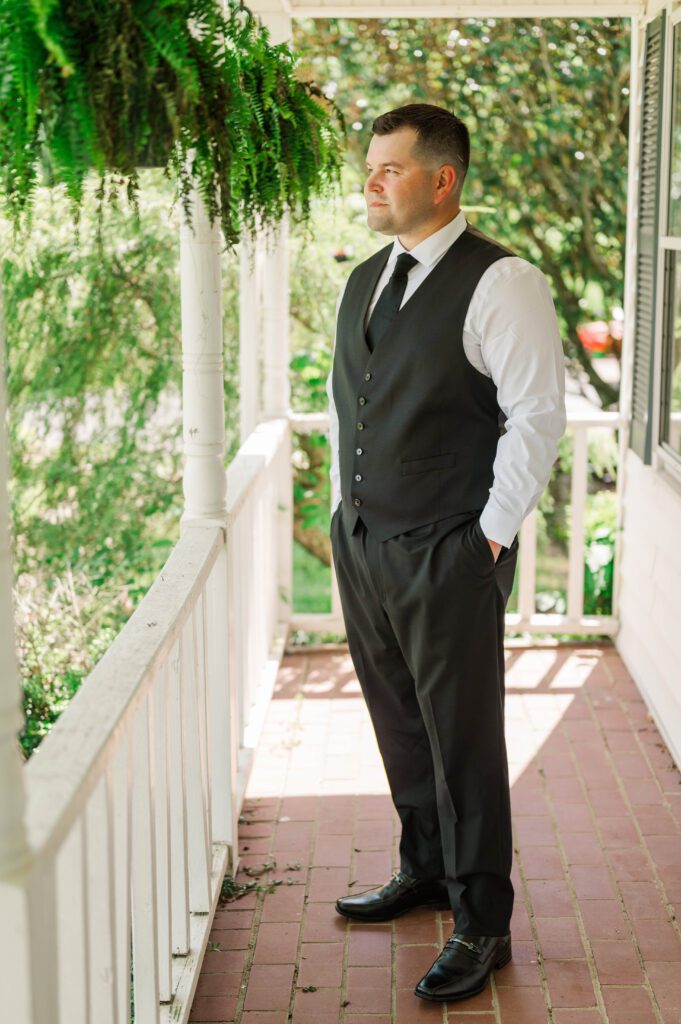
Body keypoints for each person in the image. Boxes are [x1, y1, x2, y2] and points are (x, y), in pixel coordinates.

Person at [325, 103, 567, 1003]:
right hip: (365, 542)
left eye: (389, 168)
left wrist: (487, 538)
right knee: (398, 721)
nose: (371, 181)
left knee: (461, 738)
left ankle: (481, 922)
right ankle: (423, 870)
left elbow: (535, 418)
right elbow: (353, 399)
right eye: (368, 167)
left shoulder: (503, 282)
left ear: (442, 179)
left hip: (446, 548)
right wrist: (344, 510)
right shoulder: (363, 280)